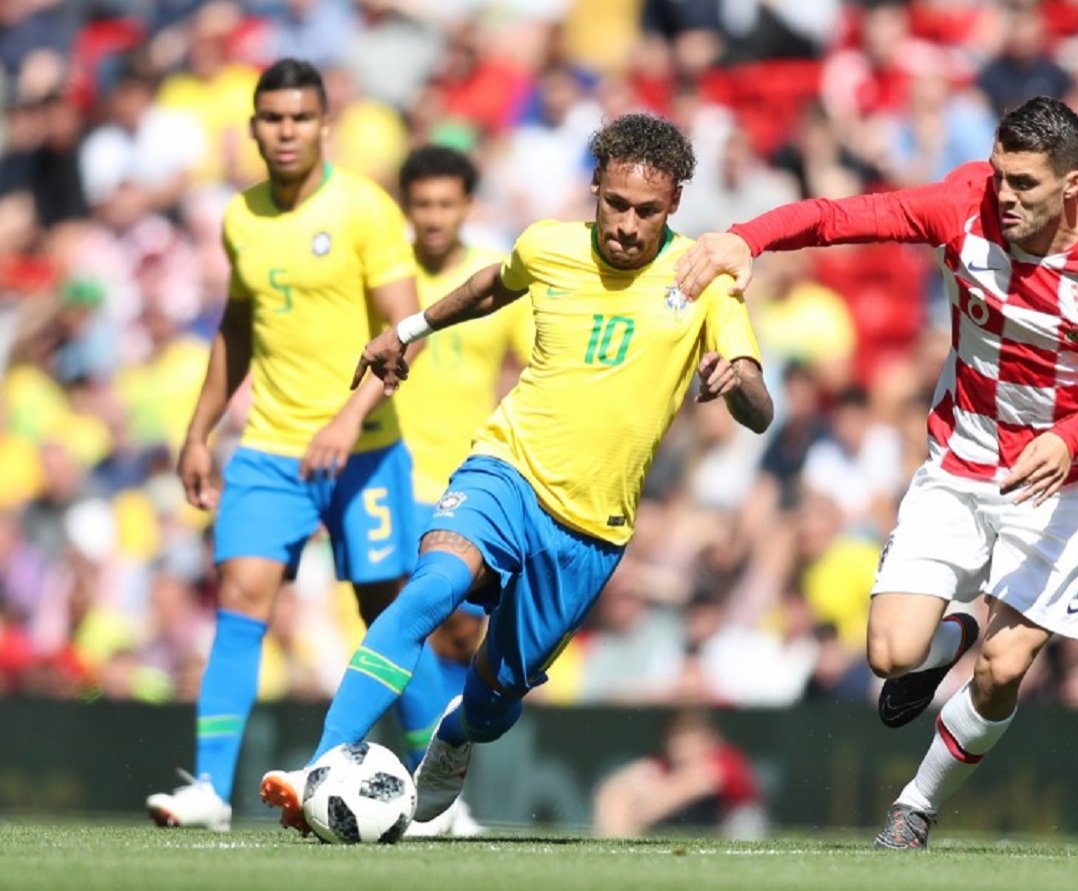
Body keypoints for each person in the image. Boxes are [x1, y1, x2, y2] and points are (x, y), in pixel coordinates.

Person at [259, 111, 774, 835]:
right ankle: (317, 768)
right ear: (594, 189)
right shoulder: (549, 246)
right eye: (615, 204)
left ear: (675, 206)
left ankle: (456, 736)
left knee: (495, 701)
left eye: (646, 211)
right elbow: (488, 286)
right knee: (431, 587)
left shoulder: (705, 281)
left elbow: (760, 404)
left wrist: (734, 381)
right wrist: (407, 331)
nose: (627, 224)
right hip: (507, 468)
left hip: (591, 529)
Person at [675, 96, 1078, 849]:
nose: (1006, 194)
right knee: (891, 654)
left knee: (1003, 665)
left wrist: (1068, 440)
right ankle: (963, 621)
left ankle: (916, 806)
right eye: (1001, 175)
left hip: (1069, 475)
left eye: (1026, 184)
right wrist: (748, 237)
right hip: (965, 455)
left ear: (1074, 186)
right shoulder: (963, 206)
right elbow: (845, 216)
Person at [146, 58, 427, 831]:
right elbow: (237, 327)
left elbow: (409, 335)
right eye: (273, 119)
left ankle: (437, 796)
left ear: (324, 125)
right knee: (239, 601)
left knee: (391, 611)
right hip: (271, 447)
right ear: (253, 128)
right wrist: (199, 431)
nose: (287, 131)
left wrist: (346, 418)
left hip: (364, 447)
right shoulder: (241, 217)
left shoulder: (367, 210)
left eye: (301, 118)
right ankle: (208, 788)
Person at [391, 144, 533, 836]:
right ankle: (433, 793)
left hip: (468, 479)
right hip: (390, 476)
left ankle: (437, 784)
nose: (434, 217)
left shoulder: (492, 277)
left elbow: (536, 367)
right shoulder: (386, 272)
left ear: (466, 206)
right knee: (405, 622)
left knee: (454, 635)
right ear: (406, 207)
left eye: (447, 203)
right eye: (422, 204)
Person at [593, 708, 766, 840]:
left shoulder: (727, 759)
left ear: (712, 737)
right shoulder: (662, 765)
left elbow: (696, 782)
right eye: (677, 735)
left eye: (691, 735)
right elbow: (617, 788)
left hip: (733, 833)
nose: (683, 745)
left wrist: (640, 813)